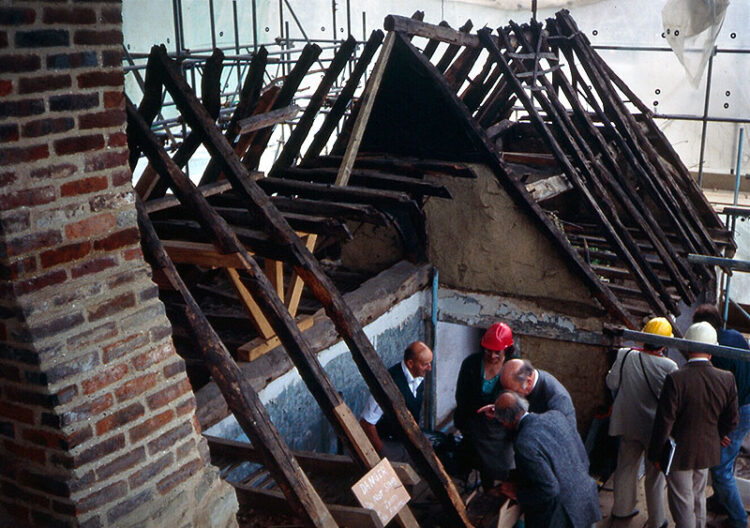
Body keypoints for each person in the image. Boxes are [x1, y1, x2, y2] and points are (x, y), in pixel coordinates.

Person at [648, 321, 739, 528]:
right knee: (698, 499)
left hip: (680, 453)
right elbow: (732, 418)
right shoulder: (727, 378)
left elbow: (664, 421)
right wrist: (719, 434)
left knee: (682, 503)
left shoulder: (676, 379)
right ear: (712, 350)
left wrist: (656, 455)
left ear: (687, 348)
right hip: (707, 450)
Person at [606, 317, 677, 527]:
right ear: (665, 344)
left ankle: (621, 509)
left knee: (626, 467)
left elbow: (612, 382)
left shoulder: (625, 354)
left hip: (628, 423)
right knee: (655, 476)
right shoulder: (670, 365)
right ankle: (656, 521)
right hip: (655, 429)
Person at [494, 391, 601, 528]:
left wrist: (518, 494)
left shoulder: (524, 443)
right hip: (586, 500)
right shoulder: (556, 416)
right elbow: (582, 457)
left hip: (564, 517)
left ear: (504, 422)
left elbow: (549, 489)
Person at [693, 303, 750, 527]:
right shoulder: (735, 336)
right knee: (727, 457)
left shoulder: (714, 352)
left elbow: (721, 397)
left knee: (720, 468)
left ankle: (738, 519)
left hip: (738, 410)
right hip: (747, 402)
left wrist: (722, 429)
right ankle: (720, 501)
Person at [454, 322, 516, 486]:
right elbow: (461, 396)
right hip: (472, 423)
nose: (492, 355)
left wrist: (499, 413)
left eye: (498, 352)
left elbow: (518, 401)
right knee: (466, 461)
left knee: (495, 472)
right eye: (488, 350)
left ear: (507, 350)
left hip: (498, 429)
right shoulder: (471, 364)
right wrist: (467, 422)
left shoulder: (514, 368)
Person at [359, 341, 433, 462]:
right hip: (389, 444)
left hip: (406, 443)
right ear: (410, 363)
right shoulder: (387, 385)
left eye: (430, 363)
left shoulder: (418, 375)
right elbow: (366, 422)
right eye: (425, 364)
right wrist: (384, 451)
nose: (429, 368)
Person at [493, 358, 576, 428]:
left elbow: (564, 434)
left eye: (514, 392)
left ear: (528, 382)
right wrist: (503, 409)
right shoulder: (525, 382)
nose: (511, 395)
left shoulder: (558, 400)